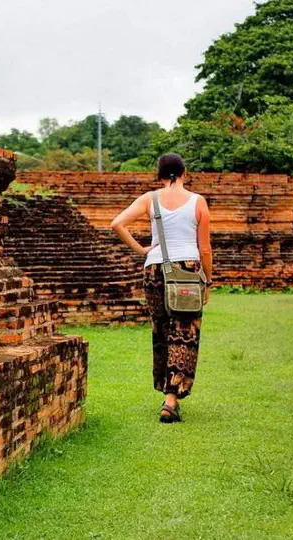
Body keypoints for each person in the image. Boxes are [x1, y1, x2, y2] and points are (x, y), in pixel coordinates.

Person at [110, 154, 213, 423]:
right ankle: (171, 398)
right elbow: (204, 248)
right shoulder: (197, 202)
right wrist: (208, 280)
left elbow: (117, 224)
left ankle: (166, 390)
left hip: (155, 269)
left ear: (159, 174)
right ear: (183, 172)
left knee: (162, 331)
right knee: (185, 332)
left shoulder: (150, 199)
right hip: (187, 272)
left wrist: (142, 250)